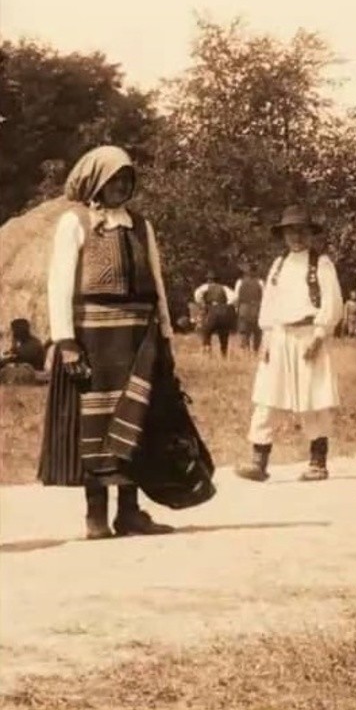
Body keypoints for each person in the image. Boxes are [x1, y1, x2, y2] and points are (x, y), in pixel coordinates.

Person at [38, 145, 203, 538]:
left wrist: (165, 336)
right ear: (96, 180)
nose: (121, 186)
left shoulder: (140, 225)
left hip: (139, 339)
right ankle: (96, 516)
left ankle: (130, 513)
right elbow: (58, 285)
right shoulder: (74, 222)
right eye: (114, 179)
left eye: (127, 179)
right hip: (94, 338)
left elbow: (158, 285)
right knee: (95, 422)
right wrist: (66, 341)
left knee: (139, 420)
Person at [234, 206, 344, 483]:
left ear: (311, 234)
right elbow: (270, 304)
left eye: (302, 231)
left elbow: (332, 302)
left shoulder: (321, 263)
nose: (296, 236)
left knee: (313, 398)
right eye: (291, 231)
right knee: (268, 397)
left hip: (309, 335)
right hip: (280, 335)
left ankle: (318, 462)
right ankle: (259, 460)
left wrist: (320, 335)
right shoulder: (278, 265)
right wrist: (267, 339)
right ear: (283, 235)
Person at [194, 271, 237, 358]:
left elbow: (197, 295)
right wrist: (227, 305)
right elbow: (234, 297)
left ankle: (208, 352)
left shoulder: (205, 287)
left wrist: (202, 304)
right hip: (223, 311)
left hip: (211, 311)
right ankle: (223, 354)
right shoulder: (224, 288)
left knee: (206, 331)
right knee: (224, 334)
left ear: (208, 279)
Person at [233, 264, 264, 354]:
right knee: (257, 332)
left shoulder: (240, 282)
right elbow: (265, 297)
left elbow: (236, 297)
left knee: (244, 331)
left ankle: (245, 351)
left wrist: (236, 308)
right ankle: (255, 351)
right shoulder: (260, 282)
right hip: (256, 308)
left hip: (244, 308)